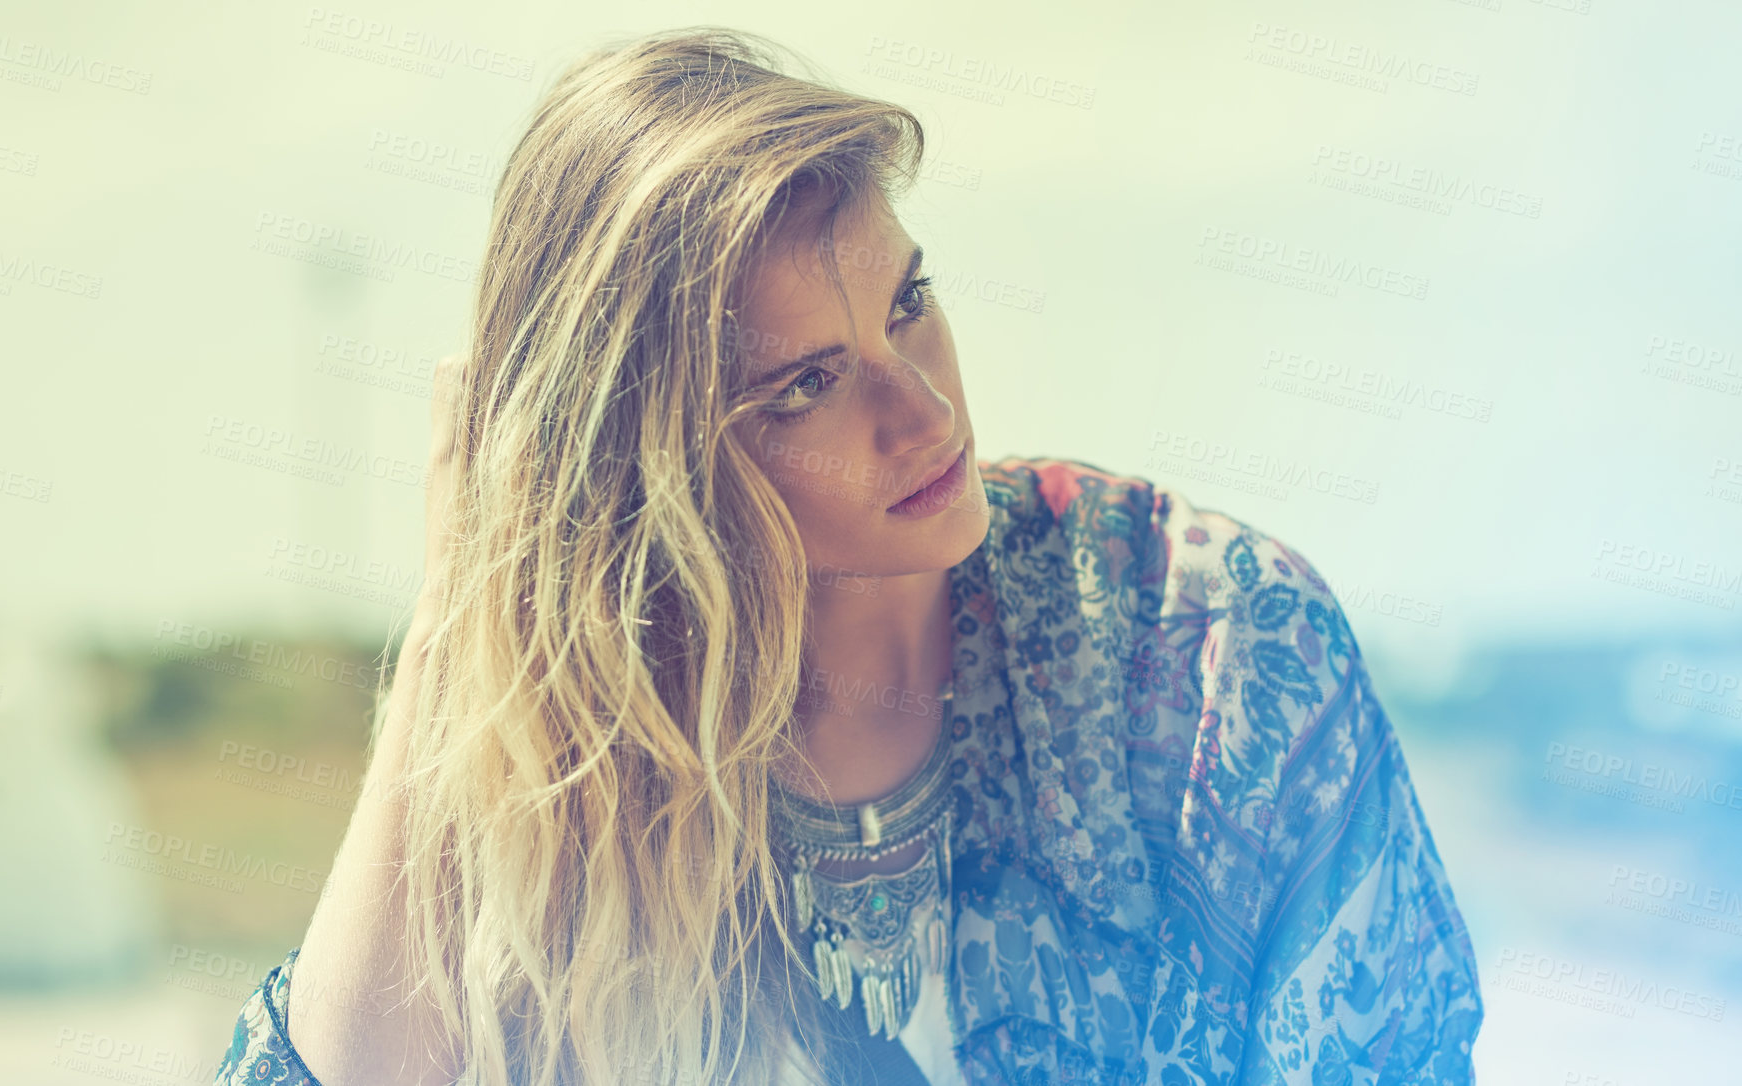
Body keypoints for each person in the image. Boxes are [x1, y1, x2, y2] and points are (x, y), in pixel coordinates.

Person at [214, 26, 1484, 1086]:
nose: (923, 413)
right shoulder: (574, 765)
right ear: (648, 464)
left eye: (909, 305)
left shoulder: (1208, 649)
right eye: (807, 385)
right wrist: (457, 611)